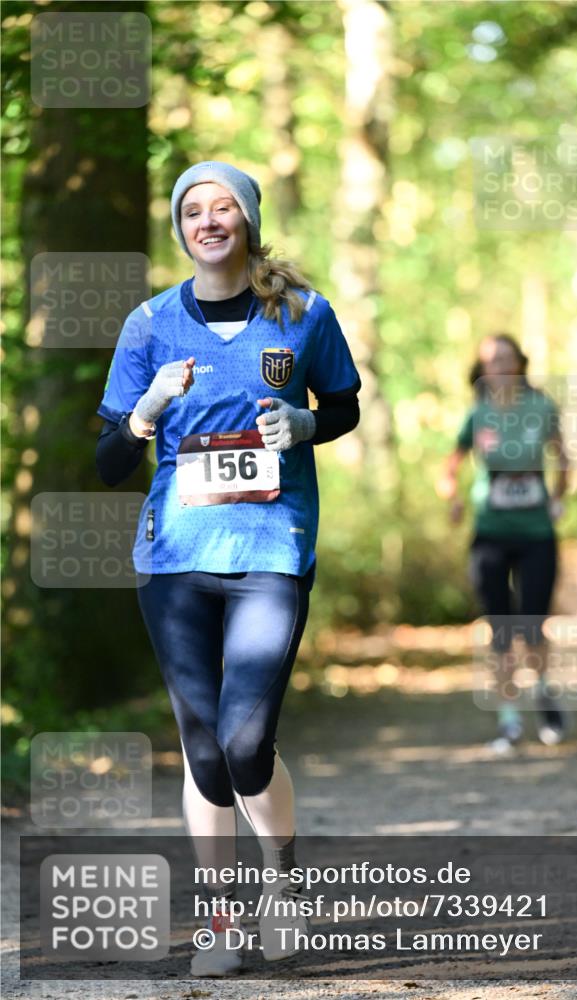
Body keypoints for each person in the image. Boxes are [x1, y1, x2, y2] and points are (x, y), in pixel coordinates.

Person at [95, 160, 361, 974]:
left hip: (270, 553)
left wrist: (304, 426)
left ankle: (280, 888)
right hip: (175, 559)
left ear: (246, 220)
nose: (207, 221)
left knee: (246, 741)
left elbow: (343, 405)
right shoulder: (147, 325)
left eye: (222, 209)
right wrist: (143, 416)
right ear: (180, 227)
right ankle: (218, 923)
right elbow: (108, 462)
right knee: (202, 746)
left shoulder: (303, 314)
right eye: (192, 212)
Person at [437, 333, 569, 753]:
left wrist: (559, 497)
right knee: (499, 629)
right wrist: (453, 498)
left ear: (520, 363)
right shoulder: (477, 414)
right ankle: (509, 720)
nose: (500, 367)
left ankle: (544, 692)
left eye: (506, 359)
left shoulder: (541, 406)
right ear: (482, 370)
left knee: (531, 624)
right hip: (490, 535)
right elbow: (450, 467)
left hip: (536, 535)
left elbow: (563, 456)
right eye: (491, 361)